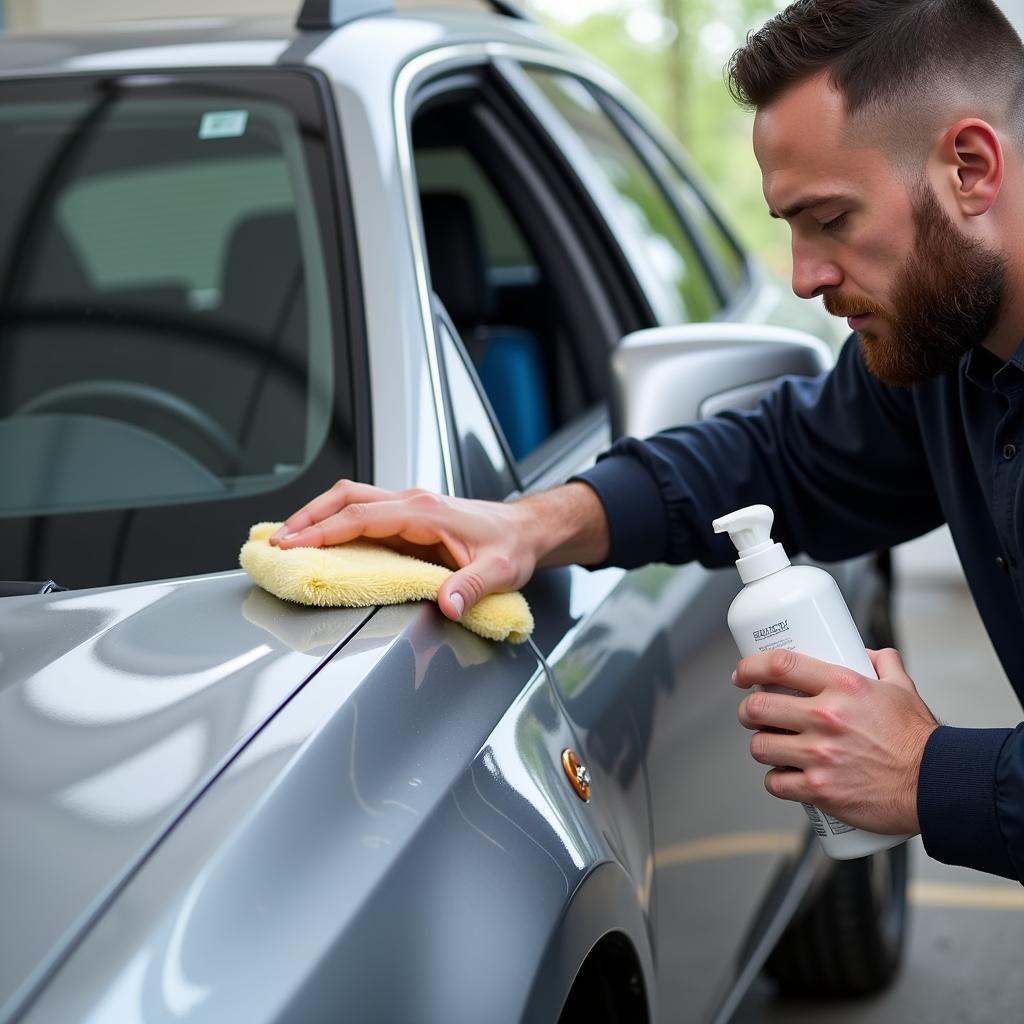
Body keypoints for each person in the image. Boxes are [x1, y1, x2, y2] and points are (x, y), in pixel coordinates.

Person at [272, 0, 1024, 882]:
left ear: (970, 168)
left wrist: (932, 774)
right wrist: (534, 524)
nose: (805, 275)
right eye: (789, 226)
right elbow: (782, 457)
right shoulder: (945, 357)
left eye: (831, 220)